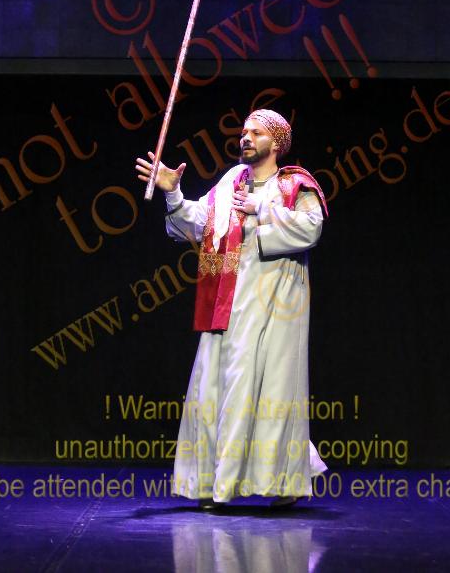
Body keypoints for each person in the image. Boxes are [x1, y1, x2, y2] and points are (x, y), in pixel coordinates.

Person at [136, 108, 328, 510]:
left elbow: (311, 228)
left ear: (276, 143)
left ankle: (280, 482)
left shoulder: (294, 184)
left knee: (270, 389)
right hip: (225, 301)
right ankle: (212, 486)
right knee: (214, 387)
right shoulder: (230, 183)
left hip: (272, 304)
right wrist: (173, 193)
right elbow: (198, 223)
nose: (246, 138)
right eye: (244, 132)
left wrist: (263, 209)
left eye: (256, 133)